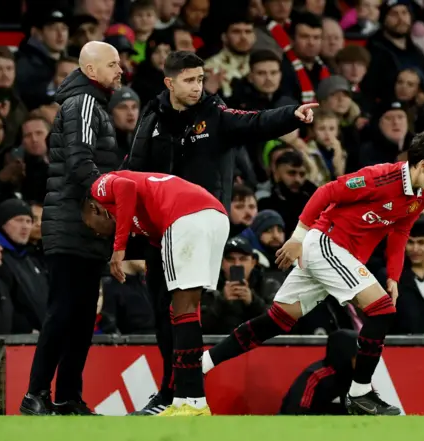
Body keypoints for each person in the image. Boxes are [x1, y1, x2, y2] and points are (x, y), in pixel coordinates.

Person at [202, 130, 424, 416]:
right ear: (423, 165)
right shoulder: (380, 177)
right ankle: (361, 391)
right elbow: (326, 191)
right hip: (326, 243)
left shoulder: (422, 193)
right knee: (382, 311)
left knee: (276, 321)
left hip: (340, 255)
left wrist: (393, 275)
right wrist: (297, 236)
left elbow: (400, 229)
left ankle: (200, 365)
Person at [123, 50, 316, 414]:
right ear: (169, 82)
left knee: (184, 307)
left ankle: (182, 394)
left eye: (200, 79)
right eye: (189, 81)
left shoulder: (214, 113)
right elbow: (133, 167)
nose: (197, 87)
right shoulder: (152, 116)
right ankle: (173, 392)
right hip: (155, 229)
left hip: (195, 226)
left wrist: (292, 115)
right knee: (164, 314)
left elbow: (255, 121)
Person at [20, 41, 123, 416]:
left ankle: (67, 397)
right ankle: (35, 394)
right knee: (63, 312)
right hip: (72, 224)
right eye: (112, 64)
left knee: (80, 318)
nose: (120, 70)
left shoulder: (93, 104)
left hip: (85, 227)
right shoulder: (82, 104)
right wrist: (113, 194)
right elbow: (81, 163)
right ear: (91, 70)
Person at [81, 170, 229, 416]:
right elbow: (155, 234)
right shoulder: (140, 217)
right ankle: (186, 399)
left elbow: (126, 188)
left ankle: (192, 400)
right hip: (215, 216)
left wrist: (119, 249)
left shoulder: (100, 186)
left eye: (92, 227)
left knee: (183, 310)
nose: (97, 234)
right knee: (187, 310)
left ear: (95, 209)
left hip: (184, 215)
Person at [280, 329, 358, 415]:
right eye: (357, 356)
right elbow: (296, 413)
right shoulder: (315, 376)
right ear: (344, 355)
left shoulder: (361, 377)